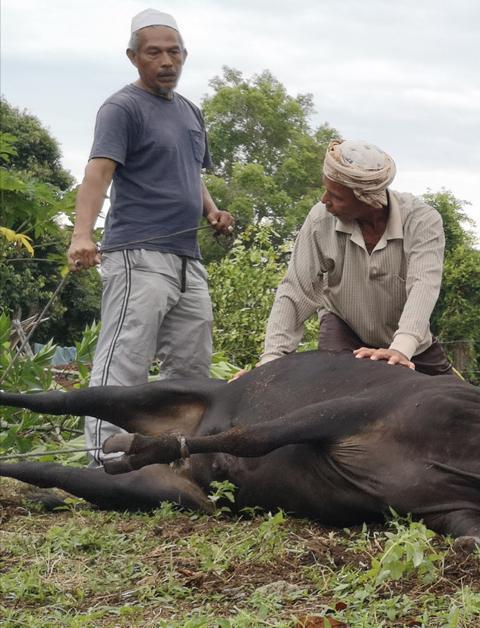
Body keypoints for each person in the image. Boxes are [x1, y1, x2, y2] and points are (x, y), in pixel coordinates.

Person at [67, 9, 234, 467]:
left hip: (187, 258)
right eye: (154, 52)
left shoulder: (190, 112)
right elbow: (98, 172)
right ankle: (104, 463)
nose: (166, 61)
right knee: (125, 362)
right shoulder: (122, 108)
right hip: (136, 254)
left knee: (191, 367)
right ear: (133, 57)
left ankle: (172, 460)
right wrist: (82, 234)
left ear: (185, 56)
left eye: (174, 52)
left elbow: (190, 173)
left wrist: (211, 209)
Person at [253, 139, 451, 375]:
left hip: (409, 343)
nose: (324, 201)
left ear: (367, 199)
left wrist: (400, 350)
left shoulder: (422, 221)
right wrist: (272, 360)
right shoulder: (320, 220)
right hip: (343, 331)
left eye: (336, 196)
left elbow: (423, 286)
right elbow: (295, 290)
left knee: (454, 400)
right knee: (335, 398)